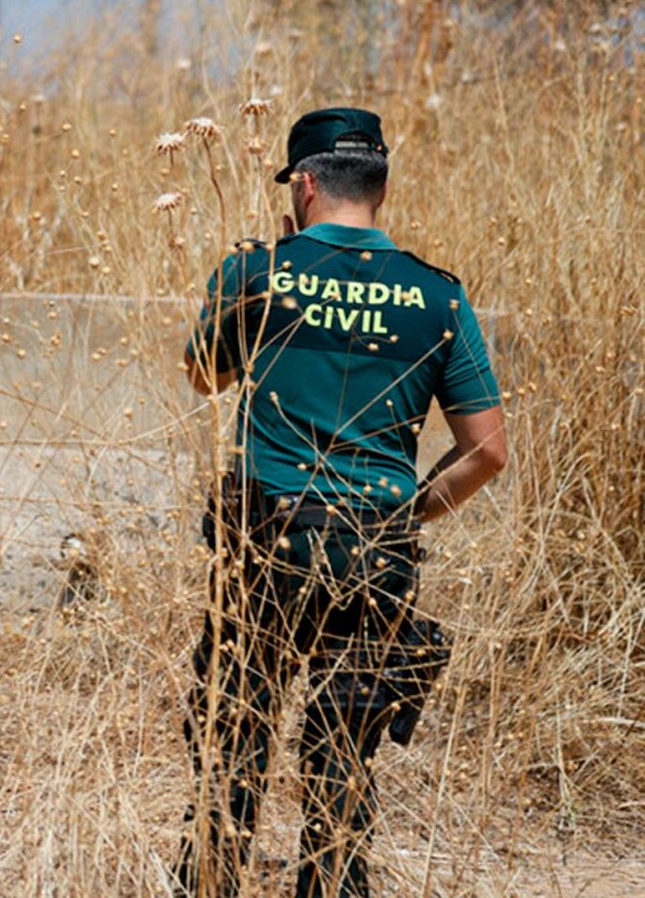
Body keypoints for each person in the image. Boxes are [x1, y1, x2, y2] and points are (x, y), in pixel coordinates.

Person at [176, 107, 507, 897]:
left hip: (267, 537)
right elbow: (488, 452)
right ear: (382, 188)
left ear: (305, 183)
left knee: (234, 733)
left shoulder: (257, 271)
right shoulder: (439, 297)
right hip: (378, 547)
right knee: (344, 751)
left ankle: (213, 878)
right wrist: (409, 514)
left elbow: (202, 377)